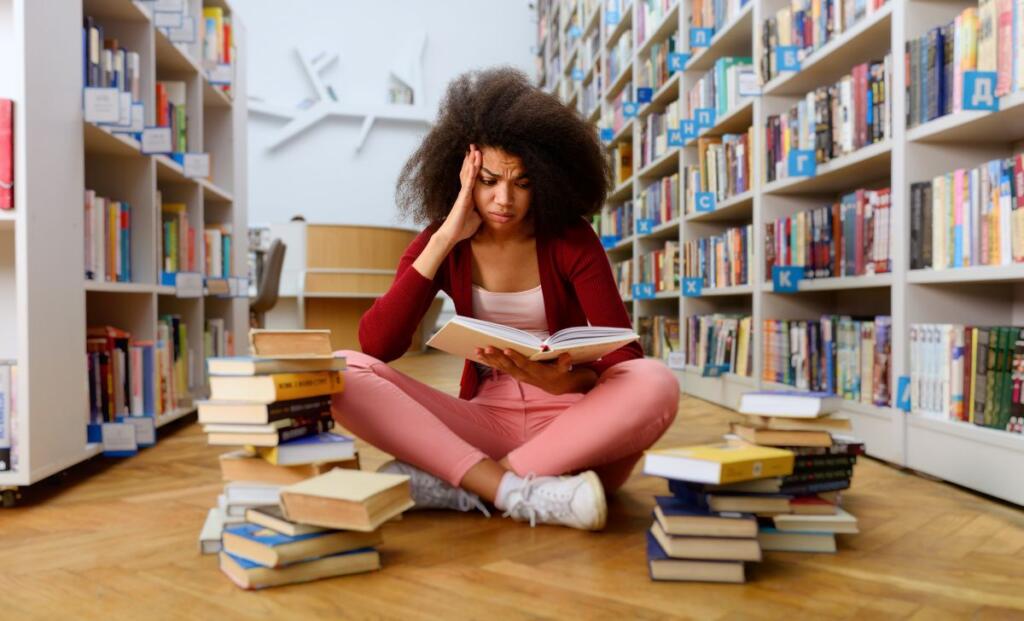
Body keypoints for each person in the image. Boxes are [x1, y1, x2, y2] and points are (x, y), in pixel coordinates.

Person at [331, 68, 679, 531]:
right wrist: (444, 237)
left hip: (574, 424)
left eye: (523, 182)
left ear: (548, 179)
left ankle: (475, 485)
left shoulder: (571, 238)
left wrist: (561, 383)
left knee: (654, 379)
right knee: (340, 370)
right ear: (462, 177)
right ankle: (515, 492)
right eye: (489, 180)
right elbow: (378, 343)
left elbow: (624, 357)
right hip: (486, 419)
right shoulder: (445, 239)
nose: (504, 199)